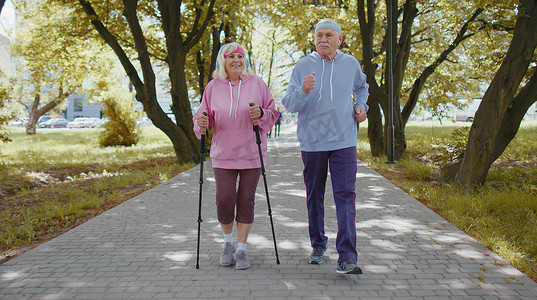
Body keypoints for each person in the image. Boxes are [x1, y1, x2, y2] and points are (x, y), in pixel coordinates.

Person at [281, 18, 369, 275]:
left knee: (345, 196)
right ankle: (318, 244)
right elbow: (289, 103)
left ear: (339, 40)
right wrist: (303, 91)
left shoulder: (350, 64)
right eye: (319, 35)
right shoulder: (303, 66)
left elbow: (362, 88)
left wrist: (361, 106)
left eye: (329, 35)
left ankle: (347, 256)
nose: (323, 39)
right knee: (314, 195)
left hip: (343, 140)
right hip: (313, 140)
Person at [193, 42, 278, 270]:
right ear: (223, 61)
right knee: (225, 199)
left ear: (245, 61)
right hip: (223, 154)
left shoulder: (257, 84)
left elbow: (272, 113)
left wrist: (261, 113)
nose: (236, 61)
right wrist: (201, 122)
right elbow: (204, 116)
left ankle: (242, 249)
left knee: (246, 201)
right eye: (231, 57)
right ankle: (227, 243)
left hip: (252, 154)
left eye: (240, 57)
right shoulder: (213, 87)